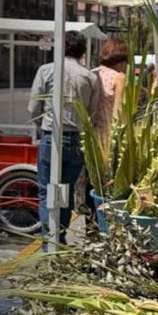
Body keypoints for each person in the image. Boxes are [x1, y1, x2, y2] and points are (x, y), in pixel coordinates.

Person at [28, 30, 102, 243]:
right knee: (65, 192)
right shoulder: (89, 77)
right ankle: (59, 238)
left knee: (47, 191)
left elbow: (33, 108)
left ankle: (50, 242)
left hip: (52, 137)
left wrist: (39, 127)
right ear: (82, 51)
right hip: (76, 141)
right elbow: (92, 113)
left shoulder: (46, 70)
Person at [75, 37, 128, 212]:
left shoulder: (92, 73)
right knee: (106, 181)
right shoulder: (119, 77)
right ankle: (104, 217)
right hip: (107, 137)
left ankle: (89, 219)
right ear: (121, 58)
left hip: (89, 135)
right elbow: (118, 112)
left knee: (90, 177)